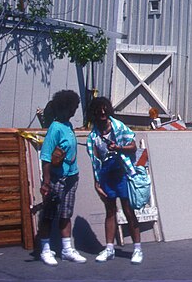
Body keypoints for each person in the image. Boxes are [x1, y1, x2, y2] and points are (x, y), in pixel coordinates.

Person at [86, 96, 143, 265]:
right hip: (106, 174)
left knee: (128, 210)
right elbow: (95, 162)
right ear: (94, 113)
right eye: (98, 110)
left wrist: (119, 148)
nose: (102, 113)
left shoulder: (119, 127)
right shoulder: (93, 136)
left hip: (122, 172)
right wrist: (96, 183)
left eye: (104, 109)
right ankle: (109, 248)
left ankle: (138, 249)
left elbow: (133, 146)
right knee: (110, 210)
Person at [37, 89, 87, 266]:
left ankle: (66, 250)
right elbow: (46, 156)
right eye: (72, 107)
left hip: (71, 178)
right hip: (57, 179)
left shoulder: (69, 126)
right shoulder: (55, 128)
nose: (74, 111)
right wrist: (47, 182)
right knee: (49, 215)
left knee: (66, 214)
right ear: (64, 107)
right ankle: (44, 249)